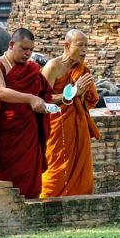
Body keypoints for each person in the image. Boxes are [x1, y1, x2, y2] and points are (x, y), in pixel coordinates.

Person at [0, 28, 52, 198]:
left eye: (31, 50)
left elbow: (45, 97)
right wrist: (30, 98)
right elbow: (0, 91)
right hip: (5, 133)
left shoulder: (31, 69)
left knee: (30, 176)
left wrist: (69, 96)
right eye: (24, 49)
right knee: (4, 179)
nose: (28, 54)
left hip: (28, 132)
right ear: (11, 44)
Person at [40, 29, 100, 197]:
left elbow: (89, 100)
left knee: (80, 164)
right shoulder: (52, 66)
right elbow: (42, 99)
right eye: (80, 45)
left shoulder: (82, 70)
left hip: (77, 124)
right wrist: (73, 92)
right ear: (66, 45)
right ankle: (47, 199)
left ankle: (78, 200)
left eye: (86, 46)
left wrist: (80, 94)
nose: (84, 50)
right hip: (56, 124)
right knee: (56, 164)